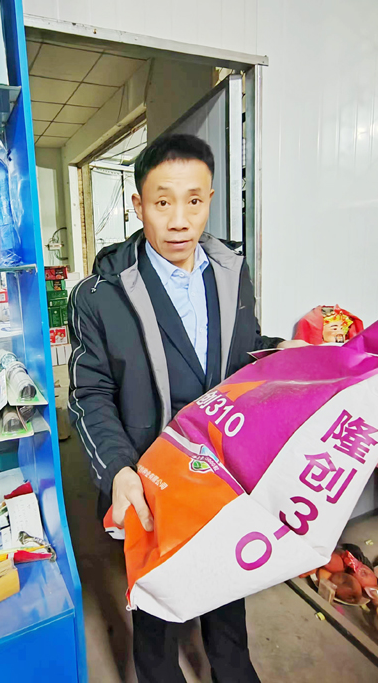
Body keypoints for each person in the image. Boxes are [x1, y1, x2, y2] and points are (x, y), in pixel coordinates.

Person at [68, 133, 304, 682]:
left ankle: (233, 668)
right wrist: (118, 471)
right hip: (151, 473)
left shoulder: (231, 273)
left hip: (224, 466)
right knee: (158, 602)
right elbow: (89, 391)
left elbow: (239, 349)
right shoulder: (101, 295)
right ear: (138, 205)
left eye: (194, 201)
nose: (179, 221)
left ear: (210, 199)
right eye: (163, 202)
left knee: (229, 577)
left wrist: (280, 352)